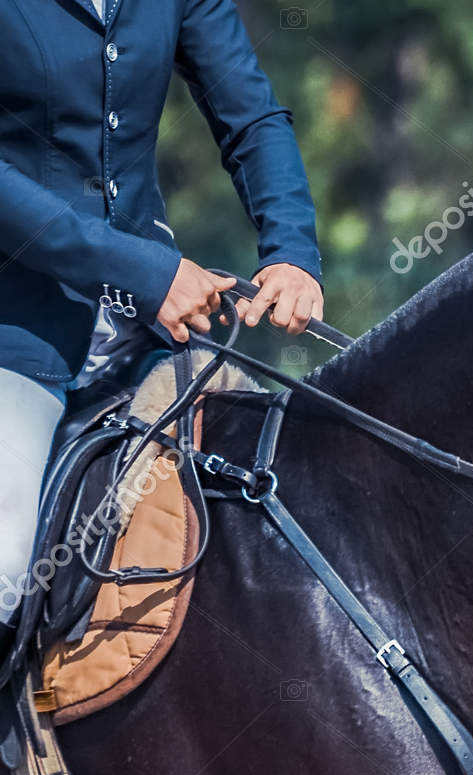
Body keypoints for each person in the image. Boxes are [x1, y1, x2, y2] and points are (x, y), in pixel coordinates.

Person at [0, 0, 325, 629]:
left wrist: (291, 252)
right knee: (7, 560)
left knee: (269, 497)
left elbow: (252, 117)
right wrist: (143, 271)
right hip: (18, 330)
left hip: (152, 330)